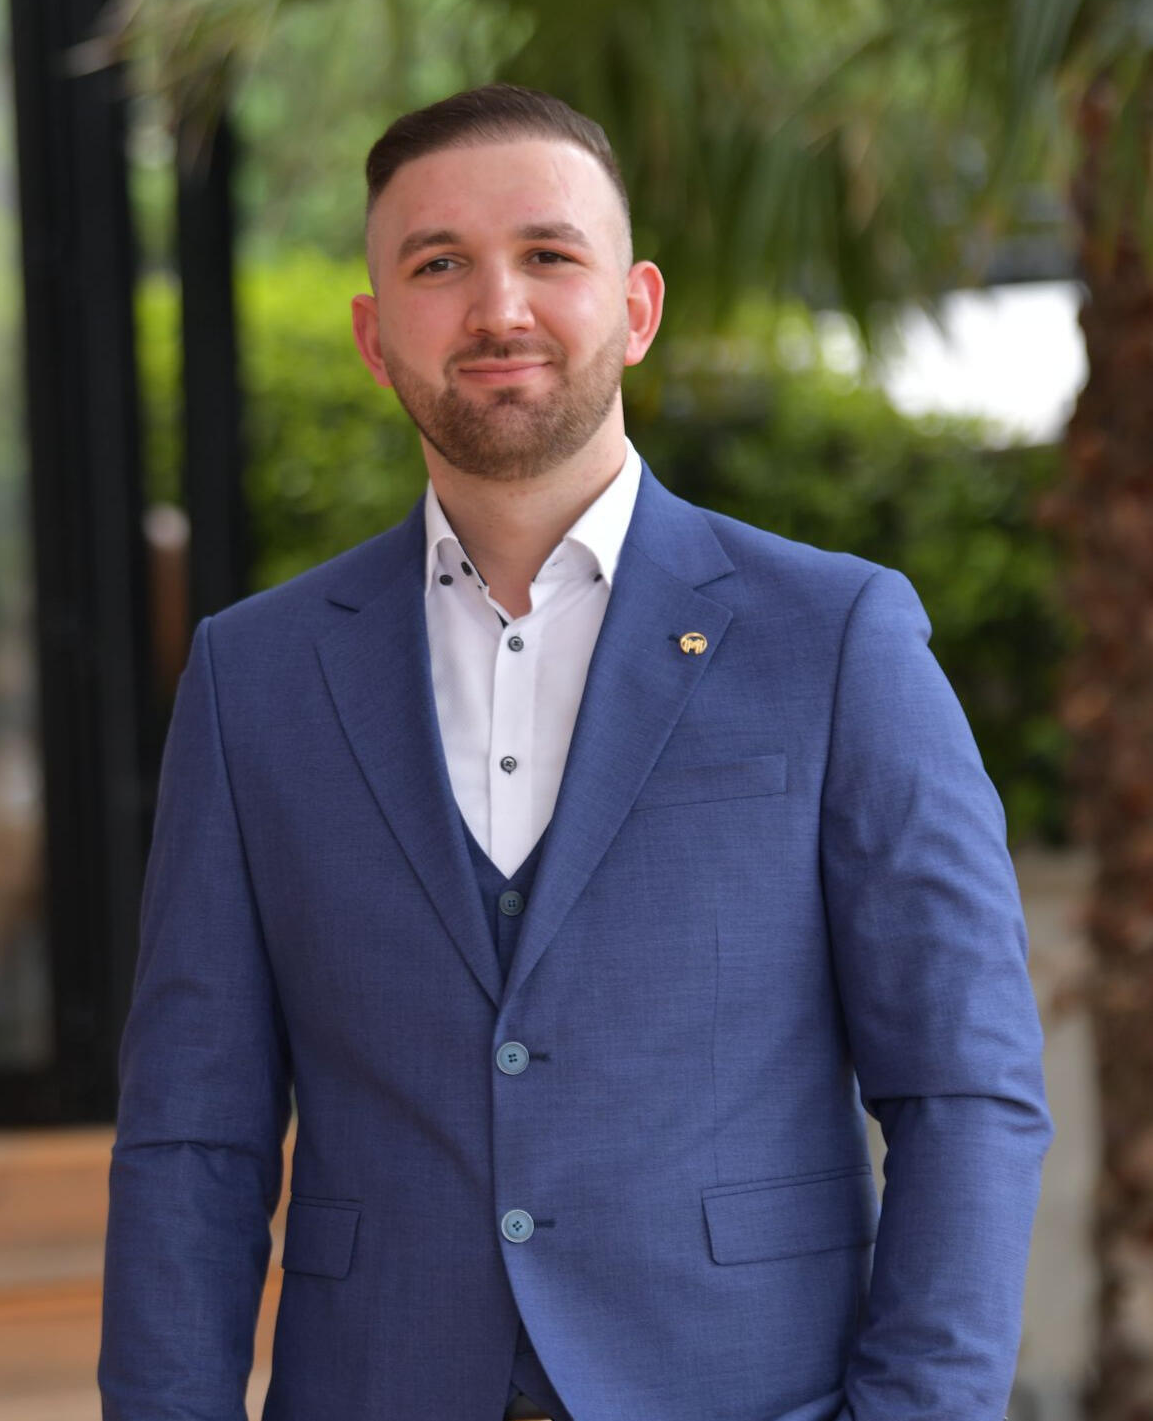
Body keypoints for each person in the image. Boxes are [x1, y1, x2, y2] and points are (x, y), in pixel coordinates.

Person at [99, 84, 1051, 1421]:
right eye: (440, 265)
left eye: (549, 254)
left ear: (637, 306)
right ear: (374, 335)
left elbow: (965, 1086)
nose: (500, 309)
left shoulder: (834, 638)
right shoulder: (254, 676)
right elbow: (192, 1137)